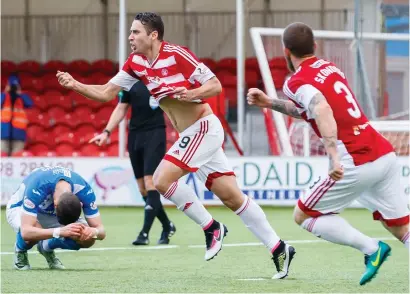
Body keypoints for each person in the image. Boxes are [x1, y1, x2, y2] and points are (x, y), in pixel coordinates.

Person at [56, 12, 295, 279]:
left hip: (204, 128)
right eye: (131, 32)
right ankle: (279, 247)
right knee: (231, 197)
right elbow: (105, 93)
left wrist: (191, 93)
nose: (130, 37)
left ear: (153, 35)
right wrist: (74, 84)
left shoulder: (177, 54)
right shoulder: (135, 63)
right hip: (194, 136)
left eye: (135, 32)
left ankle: (211, 227)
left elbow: (214, 86)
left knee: (160, 179)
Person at [247, 22, 409, 285]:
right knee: (400, 227)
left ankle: (371, 249)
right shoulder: (330, 68)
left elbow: (320, 109)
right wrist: (269, 103)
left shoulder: (296, 81)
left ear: (286, 52)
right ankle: (374, 248)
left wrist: (334, 156)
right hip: (383, 154)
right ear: (315, 46)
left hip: (355, 160)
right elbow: (308, 109)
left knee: (304, 214)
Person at [89, 82, 176, 245]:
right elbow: (121, 107)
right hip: (135, 135)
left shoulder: (159, 78)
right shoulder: (129, 81)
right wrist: (107, 131)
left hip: (155, 133)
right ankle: (167, 225)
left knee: (151, 182)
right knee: (143, 188)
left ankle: (144, 233)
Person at [6, 166, 106, 270]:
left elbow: (101, 231)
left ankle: (46, 247)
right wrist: (59, 231)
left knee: (85, 236)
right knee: (33, 233)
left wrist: (93, 232)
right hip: (19, 208)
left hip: (50, 214)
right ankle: (20, 251)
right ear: (55, 205)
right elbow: (26, 231)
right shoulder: (38, 185)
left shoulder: (84, 190)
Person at [1, 75, 33, 155]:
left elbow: (30, 104)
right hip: (3, 133)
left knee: (16, 158)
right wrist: (5, 92)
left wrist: (20, 93)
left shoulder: (22, 97)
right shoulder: (4, 96)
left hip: (18, 134)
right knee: (2, 157)